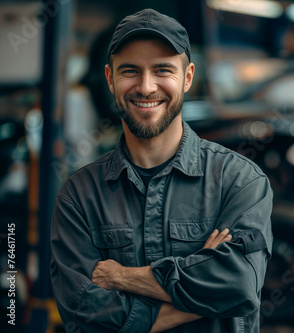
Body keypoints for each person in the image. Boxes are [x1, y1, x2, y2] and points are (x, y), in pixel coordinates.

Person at [50, 8, 273, 333]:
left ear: (187, 77)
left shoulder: (239, 182)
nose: (146, 86)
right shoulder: (79, 197)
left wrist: (121, 277)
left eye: (162, 70)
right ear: (111, 79)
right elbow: (85, 316)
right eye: (130, 71)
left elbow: (238, 285)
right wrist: (204, 290)